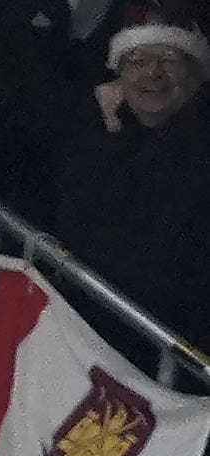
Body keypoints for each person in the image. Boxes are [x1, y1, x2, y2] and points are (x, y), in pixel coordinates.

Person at [60, 5, 210, 361]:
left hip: (174, 348)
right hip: (96, 334)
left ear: (196, 74)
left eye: (169, 59)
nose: (152, 73)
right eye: (136, 61)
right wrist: (112, 132)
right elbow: (80, 222)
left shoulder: (198, 146)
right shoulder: (97, 138)